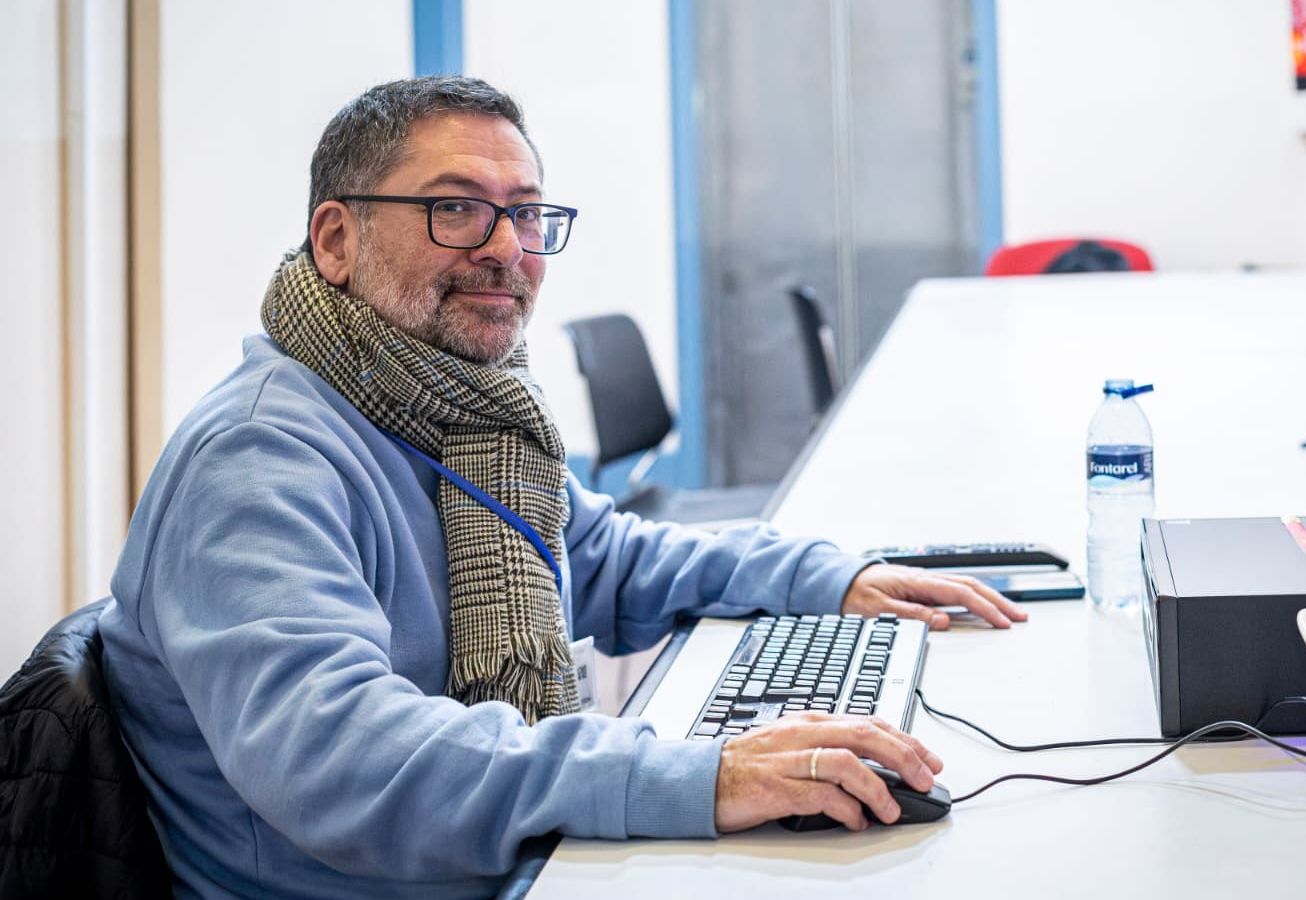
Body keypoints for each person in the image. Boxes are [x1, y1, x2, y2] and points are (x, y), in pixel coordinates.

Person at [98, 75, 1026, 899]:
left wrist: (828, 580)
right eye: (456, 209)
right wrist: (698, 777)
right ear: (337, 240)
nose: (506, 248)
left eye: (527, 213)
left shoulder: (456, 410)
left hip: (496, 864)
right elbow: (339, 760)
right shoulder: (259, 458)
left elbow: (602, 559)